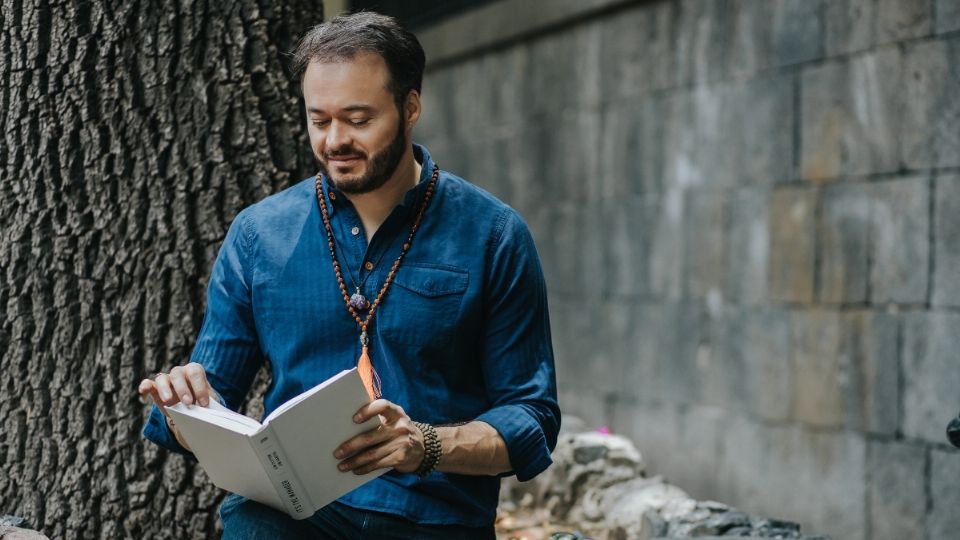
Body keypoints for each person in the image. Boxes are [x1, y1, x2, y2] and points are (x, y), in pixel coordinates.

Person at [138, 11, 559, 539]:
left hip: (433, 521)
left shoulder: (493, 235)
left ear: (410, 108)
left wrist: (425, 445)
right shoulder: (258, 235)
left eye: (358, 120)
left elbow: (533, 416)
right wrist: (183, 404)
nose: (335, 140)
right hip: (289, 517)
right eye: (319, 120)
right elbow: (212, 393)